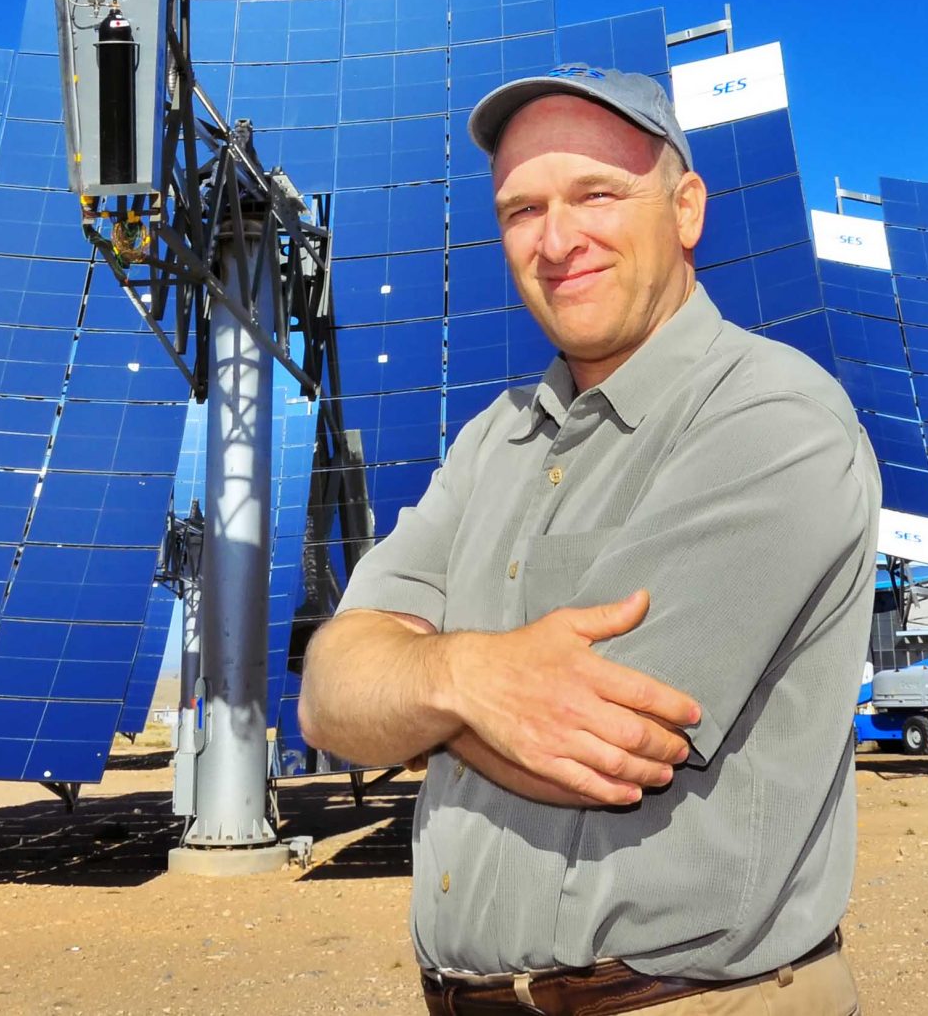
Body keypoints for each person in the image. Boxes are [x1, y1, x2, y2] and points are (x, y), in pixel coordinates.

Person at [298, 63, 878, 1015]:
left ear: (686, 208)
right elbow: (328, 699)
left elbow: (610, 742)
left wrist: (412, 682)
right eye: (522, 210)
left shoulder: (775, 419)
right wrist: (470, 679)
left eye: (597, 194)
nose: (558, 239)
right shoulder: (494, 440)